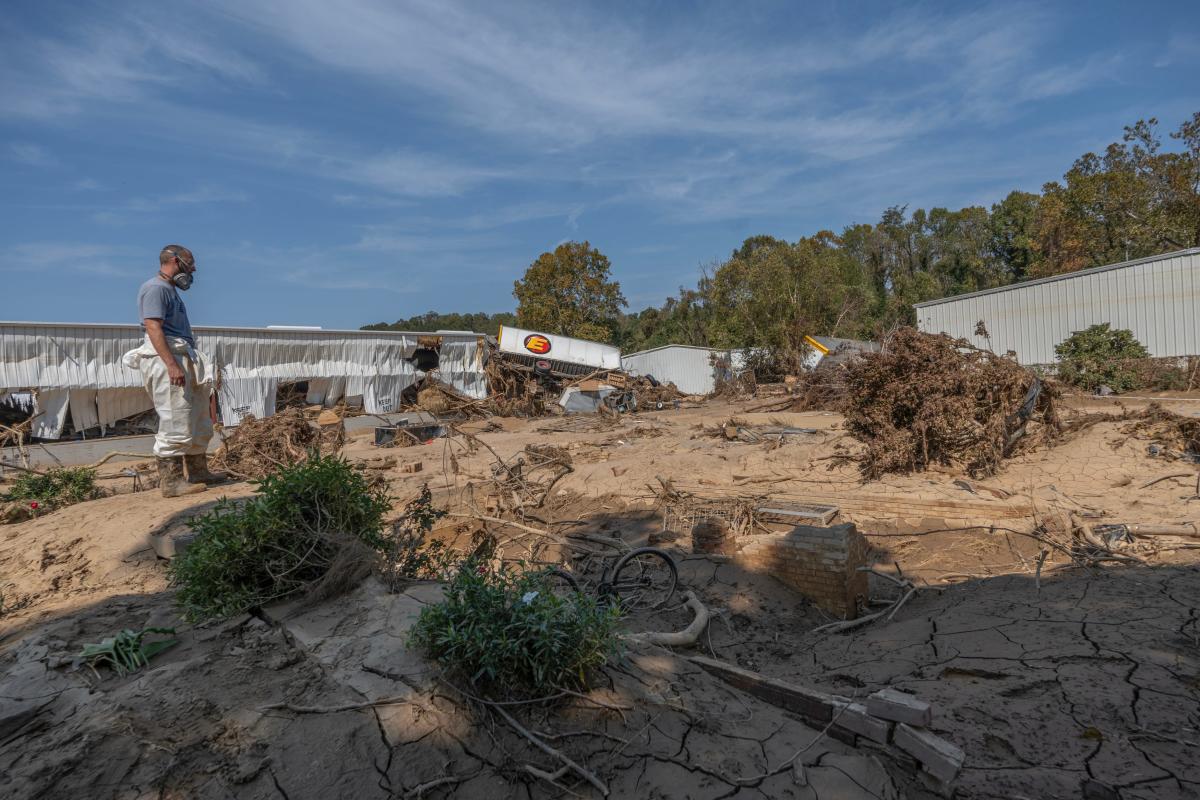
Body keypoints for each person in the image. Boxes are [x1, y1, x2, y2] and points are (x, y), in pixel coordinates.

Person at [122, 245, 226, 497]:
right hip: (166, 357)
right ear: (175, 262)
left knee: (198, 416)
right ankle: (171, 483)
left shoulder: (169, 290)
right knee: (175, 416)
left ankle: (198, 470)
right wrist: (171, 364)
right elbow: (153, 327)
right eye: (190, 263)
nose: (194, 269)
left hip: (181, 355)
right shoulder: (155, 288)